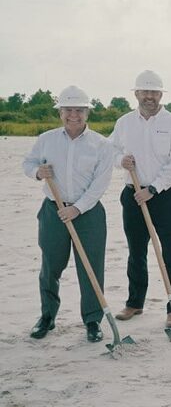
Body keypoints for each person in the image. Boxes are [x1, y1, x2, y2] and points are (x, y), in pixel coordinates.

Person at [22, 85, 114, 342]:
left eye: (79, 110)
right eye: (68, 110)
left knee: (91, 268)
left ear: (87, 113)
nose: (74, 115)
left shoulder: (102, 145)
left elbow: (100, 183)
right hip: (53, 211)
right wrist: (38, 173)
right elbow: (28, 164)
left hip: (88, 212)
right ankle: (47, 317)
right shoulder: (46, 139)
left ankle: (93, 320)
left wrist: (77, 208)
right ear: (60, 112)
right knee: (51, 266)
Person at [110, 70, 171, 328]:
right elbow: (109, 152)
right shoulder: (124, 123)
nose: (149, 97)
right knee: (136, 251)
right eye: (145, 92)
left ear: (161, 94)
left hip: (164, 196)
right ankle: (135, 302)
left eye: (154, 92)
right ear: (136, 94)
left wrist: (153, 189)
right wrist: (120, 161)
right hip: (132, 195)